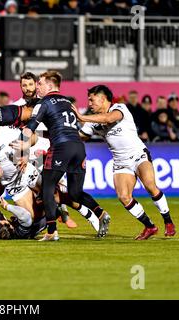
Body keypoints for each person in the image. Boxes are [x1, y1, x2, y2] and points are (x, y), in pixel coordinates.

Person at [13, 71, 111, 241]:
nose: (37, 87)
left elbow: (30, 127)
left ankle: (51, 231)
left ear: (49, 86)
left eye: (40, 84)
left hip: (61, 148)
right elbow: (59, 127)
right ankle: (101, 213)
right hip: (78, 147)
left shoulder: (44, 102)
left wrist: (22, 148)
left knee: (47, 188)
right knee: (74, 193)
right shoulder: (67, 101)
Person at [73, 85, 176, 240]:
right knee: (124, 197)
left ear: (102, 98)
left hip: (138, 155)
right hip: (121, 161)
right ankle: (149, 226)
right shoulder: (92, 122)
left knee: (150, 185)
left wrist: (82, 117)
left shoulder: (120, 108)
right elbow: (79, 137)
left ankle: (168, 221)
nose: (89, 104)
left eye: (91, 100)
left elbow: (108, 119)